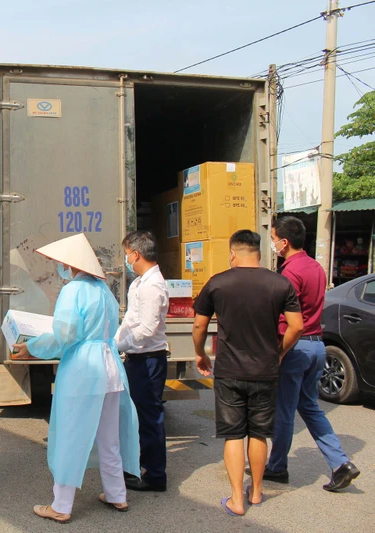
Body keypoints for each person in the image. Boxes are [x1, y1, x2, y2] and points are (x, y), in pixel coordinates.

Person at [12, 233, 140, 524]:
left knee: (70, 435)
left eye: (60, 263)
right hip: (110, 368)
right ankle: (117, 495)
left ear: (71, 265)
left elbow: (65, 335)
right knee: (109, 438)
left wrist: (31, 347)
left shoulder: (73, 291)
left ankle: (61, 505)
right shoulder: (104, 290)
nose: (59, 267)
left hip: (84, 370)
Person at [192, 230, 303, 517]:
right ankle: (255, 492)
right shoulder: (280, 283)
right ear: (259, 252)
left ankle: (235, 499)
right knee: (259, 434)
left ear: (232, 253)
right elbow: (297, 326)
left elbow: (199, 326)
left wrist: (200, 353)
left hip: (229, 370)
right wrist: (280, 352)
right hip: (265, 370)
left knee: (233, 435)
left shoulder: (218, 283)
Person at [259, 216, 360, 491]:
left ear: (285, 241)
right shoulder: (315, 266)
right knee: (310, 406)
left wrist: (279, 352)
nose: (273, 244)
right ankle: (340, 463)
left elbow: (289, 320)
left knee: (284, 410)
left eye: (274, 238)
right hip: (316, 345)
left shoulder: (290, 273)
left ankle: (277, 467)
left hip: (296, 346)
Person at [115, 231, 169, 492]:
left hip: (149, 360)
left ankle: (156, 475)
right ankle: (141, 464)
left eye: (127, 255)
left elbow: (146, 329)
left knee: (150, 417)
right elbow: (129, 321)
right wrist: (115, 341)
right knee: (135, 415)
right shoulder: (139, 283)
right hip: (136, 358)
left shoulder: (152, 286)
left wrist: (119, 345)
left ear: (136, 255)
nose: (126, 260)